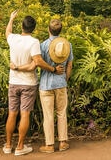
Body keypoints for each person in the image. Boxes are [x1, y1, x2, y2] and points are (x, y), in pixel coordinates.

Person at [4, 10, 63, 156]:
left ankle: (8, 145)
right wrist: (53, 69)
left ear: (22, 27)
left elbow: (7, 31)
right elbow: (37, 62)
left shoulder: (13, 38)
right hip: (28, 83)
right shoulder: (34, 42)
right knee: (24, 114)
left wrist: (11, 19)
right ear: (33, 28)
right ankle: (20, 147)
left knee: (12, 113)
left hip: (13, 81)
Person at [37, 19, 73, 153]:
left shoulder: (43, 45)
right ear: (60, 31)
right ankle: (63, 142)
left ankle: (50, 145)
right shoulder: (67, 45)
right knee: (61, 112)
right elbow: (69, 65)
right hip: (61, 84)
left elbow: (38, 62)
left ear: (48, 30)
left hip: (46, 85)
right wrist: (65, 79)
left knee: (48, 115)